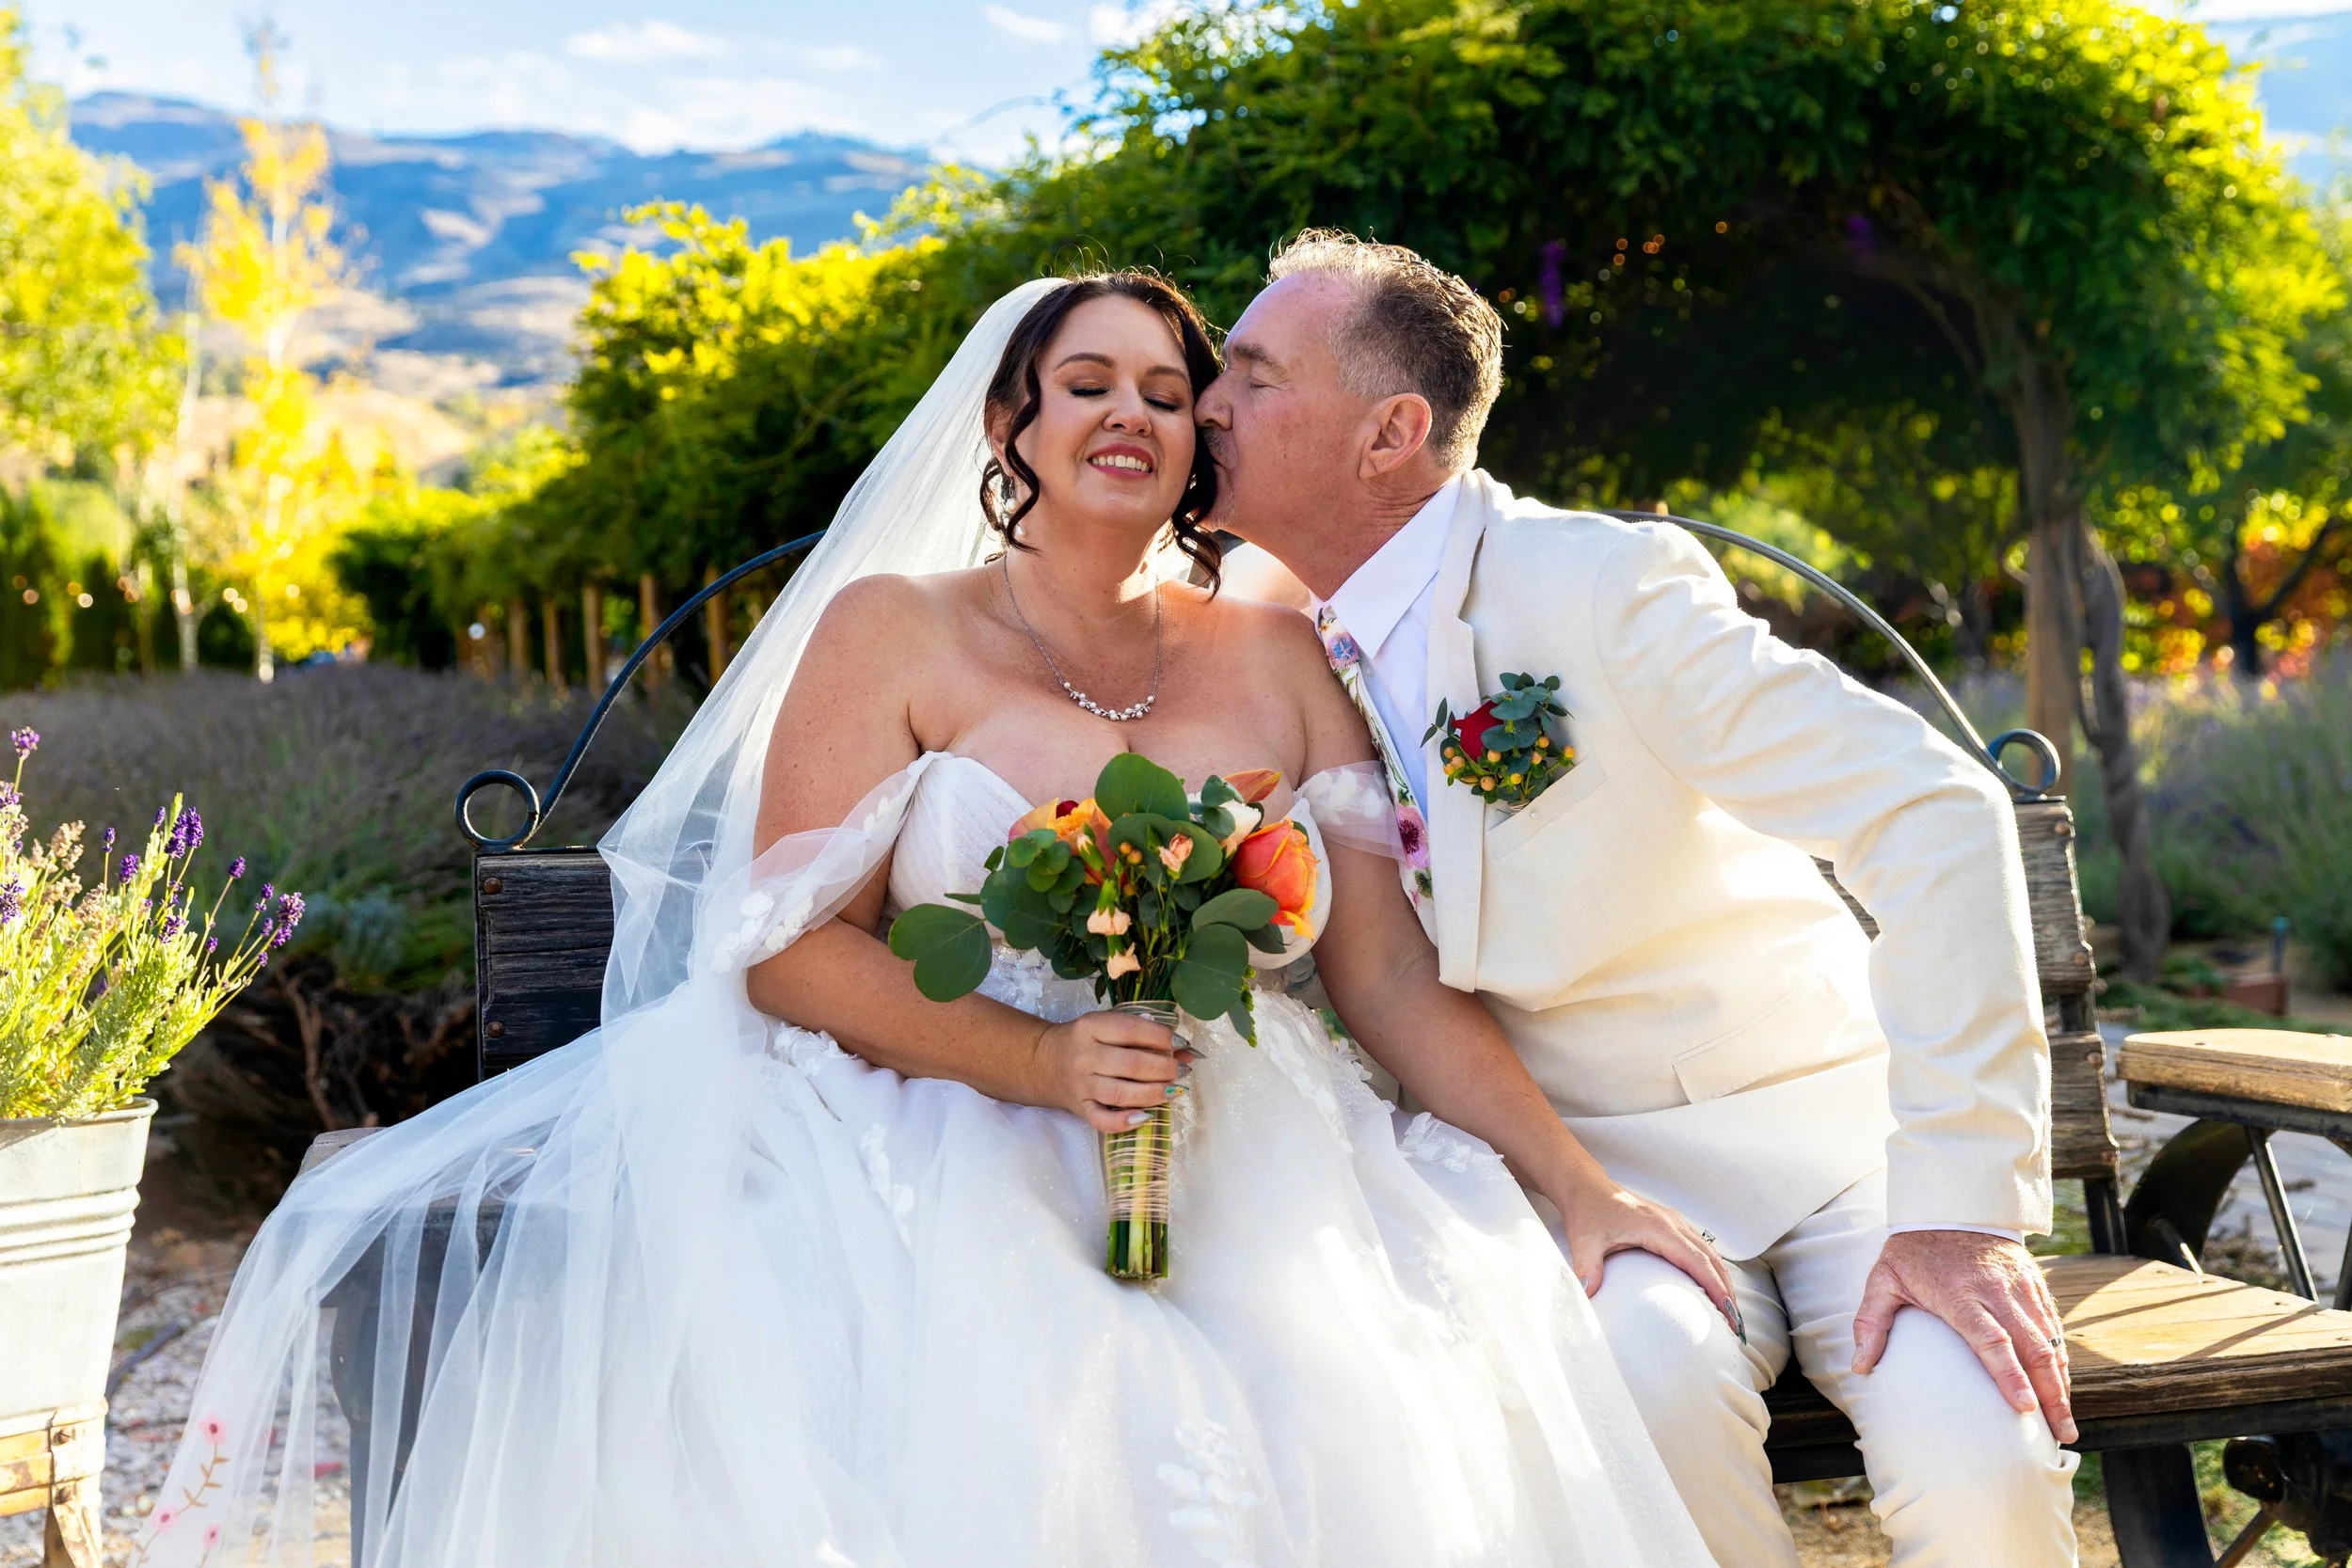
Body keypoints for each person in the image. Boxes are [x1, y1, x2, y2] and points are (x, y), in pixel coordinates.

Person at [130, 272, 1721, 1568]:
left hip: (1244, 1133)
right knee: (1025, 1400)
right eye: (1086, 383)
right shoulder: (891, 629)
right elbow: (785, 946)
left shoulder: (1280, 644)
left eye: (1170, 393)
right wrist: (1038, 1066)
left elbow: (1377, 971)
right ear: (1008, 422)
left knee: (1358, 1379)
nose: (1133, 414)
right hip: (940, 1114)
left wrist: (1580, 1191)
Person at [1205, 230, 2078, 1567]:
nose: (1208, 403)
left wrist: (1958, 1203)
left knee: (1985, 1456)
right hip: (1603, 1177)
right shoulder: (1263, 645)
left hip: (1847, 1147)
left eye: (1253, 376)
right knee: (1634, 1406)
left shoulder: (1599, 587)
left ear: (1390, 430)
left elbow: (1937, 810)